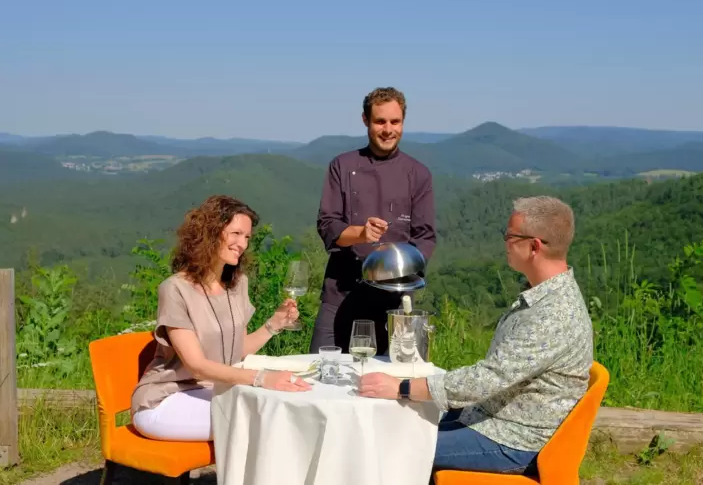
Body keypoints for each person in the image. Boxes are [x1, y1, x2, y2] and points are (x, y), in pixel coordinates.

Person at [359, 196, 594, 476]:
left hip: (512, 439)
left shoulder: (554, 314)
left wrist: (404, 388)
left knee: (394, 447)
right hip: (489, 418)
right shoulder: (546, 295)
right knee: (401, 426)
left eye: (510, 236)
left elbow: (487, 379)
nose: (505, 242)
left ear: (534, 246)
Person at [131, 195, 311, 442]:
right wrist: (261, 378)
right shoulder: (175, 289)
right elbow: (197, 365)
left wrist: (274, 324)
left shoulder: (238, 285)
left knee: (282, 410)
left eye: (247, 237)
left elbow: (236, 351)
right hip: (166, 400)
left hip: (212, 391)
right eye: (235, 233)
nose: (242, 243)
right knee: (262, 423)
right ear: (211, 233)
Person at [310, 87, 437, 355]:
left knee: (389, 382)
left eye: (395, 121)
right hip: (340, 293)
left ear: (403, 122)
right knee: (324, 371)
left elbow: (425, 237)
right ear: (365, 120)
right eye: (380, 121)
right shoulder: (342, 166)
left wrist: (401, 267)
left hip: (394, 300)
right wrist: (360, 233)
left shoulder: (418, 174)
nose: (388, 129)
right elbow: (328, 224)